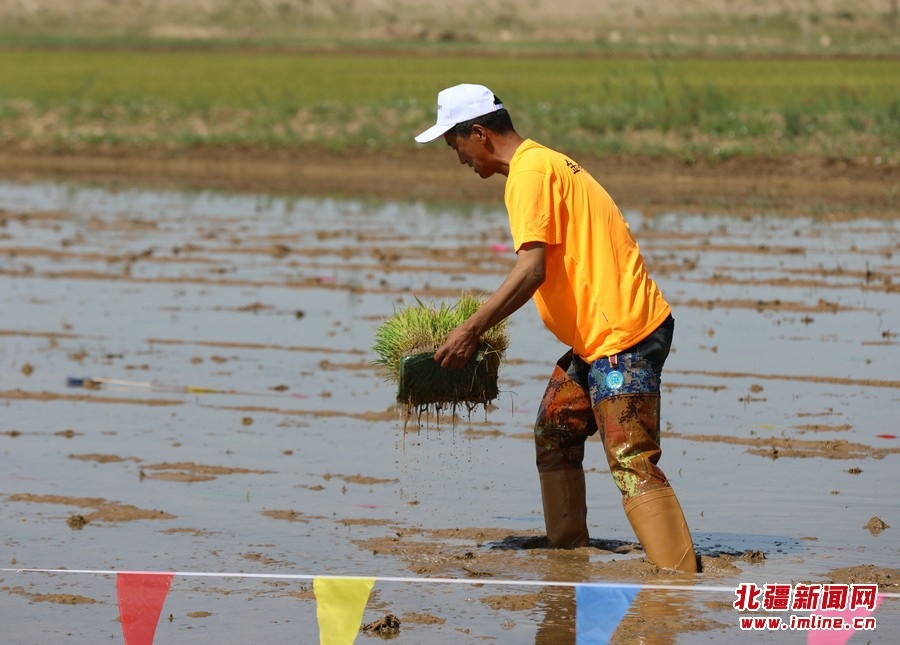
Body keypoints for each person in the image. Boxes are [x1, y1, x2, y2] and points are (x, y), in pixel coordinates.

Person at [414, 83, 698, 572]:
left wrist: (472, 329)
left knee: (630, 456)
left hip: (622, 337)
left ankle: (680, 578)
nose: (457, 158)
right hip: (595, 339)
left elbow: (531, 271)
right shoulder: (541, 164)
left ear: (478, 133)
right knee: (555, 430)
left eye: (453, 144)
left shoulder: (529, 174)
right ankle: (568, 556)